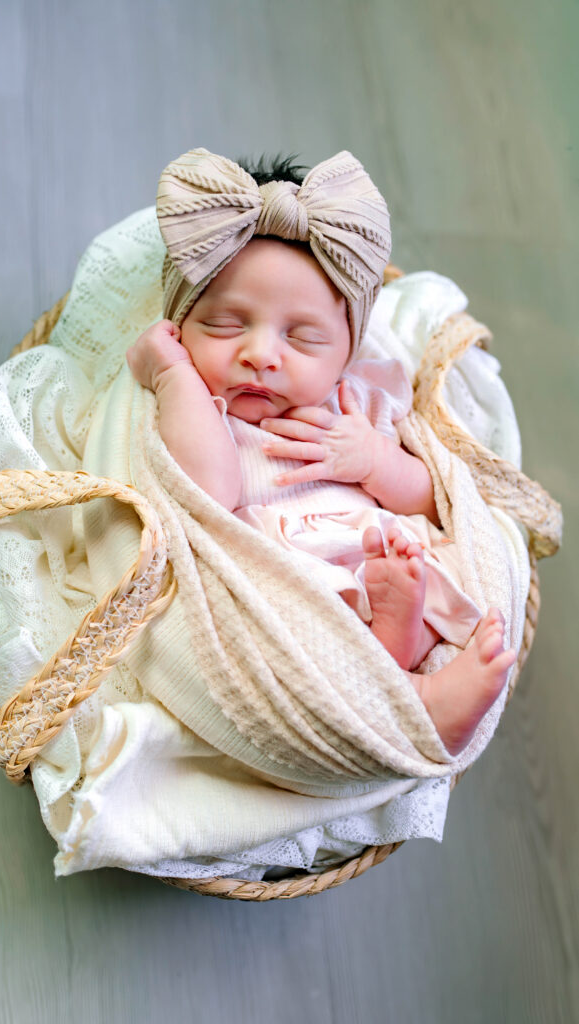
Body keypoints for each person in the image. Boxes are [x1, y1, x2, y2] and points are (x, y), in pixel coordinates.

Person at [127, 147, 516, 756]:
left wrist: (375, 460)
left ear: (345, 355)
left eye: (302, 337)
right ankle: (417, 700)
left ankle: (398, 640)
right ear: (180, 326)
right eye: (225, 326)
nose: (260, 354)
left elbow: (432, 498)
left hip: (381, 557)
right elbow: (208, 491)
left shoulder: (359, 400)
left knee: (440, 562)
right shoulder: (201, 409)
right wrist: (174, 374)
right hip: (289, 577)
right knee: (290, 641)